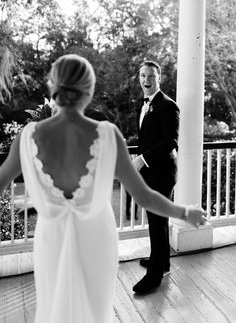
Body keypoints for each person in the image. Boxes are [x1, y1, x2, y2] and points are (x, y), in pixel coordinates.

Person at [0, 54, 206, 322]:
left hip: (50, 241)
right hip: (97, 241)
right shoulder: (108, 135)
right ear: (90, 89)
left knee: (54, 308)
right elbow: (144, 196)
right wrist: (185, 213)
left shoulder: (27, 137)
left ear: (53, 87)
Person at [133, 60, 180, 295]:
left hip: (162, 173)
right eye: (142, 75)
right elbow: (147, 138)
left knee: (158, 222)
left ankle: (154, 276)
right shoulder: (143, 105)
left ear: (158, 78)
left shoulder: (167, 105)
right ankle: (161, 261)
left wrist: (143, 159)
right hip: (151, 171)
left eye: (151, 75)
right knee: (157, 220)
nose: (146, 80)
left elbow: (171, 140)